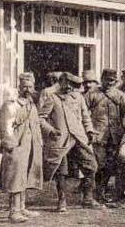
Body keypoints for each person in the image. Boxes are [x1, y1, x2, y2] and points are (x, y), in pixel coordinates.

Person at [38, 73, 102, 211]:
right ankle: (62, 200)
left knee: (91, 165)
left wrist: (89, 131)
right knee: (61, 171)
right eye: (66, 85)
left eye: (72, 86)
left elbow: (86, 117)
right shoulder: (52, 98)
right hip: (60, 139)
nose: (69, 89)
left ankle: (88, 198)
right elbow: (41, 118)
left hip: (78, 138)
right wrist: (51, 130)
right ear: (60, 83)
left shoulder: (78, 97)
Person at [0, 73, 43, 223]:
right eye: (24, 86)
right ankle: (13, 212)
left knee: (25, 175)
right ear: (19, 86)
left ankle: (22, 207)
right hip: (17, 145)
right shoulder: (11, 104)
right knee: (15, 177)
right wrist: (10, 145)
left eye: (30, 86)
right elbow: (5, 127)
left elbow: (35, 124)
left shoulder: (31, 104)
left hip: (30, 145)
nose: (28, 89)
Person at [85, 69, 125, 202]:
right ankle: (96, 192)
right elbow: (84, 113)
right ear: (102, 79)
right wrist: (89, 130)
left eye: (112, 80)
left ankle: (102, 191)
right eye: (107, 80)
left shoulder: (120, 95)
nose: (109, 83)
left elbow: (124, 115)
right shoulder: (92, 94)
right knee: (99, 164)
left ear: (115, 81)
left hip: (115, 135)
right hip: (98, 135)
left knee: (111, 165)